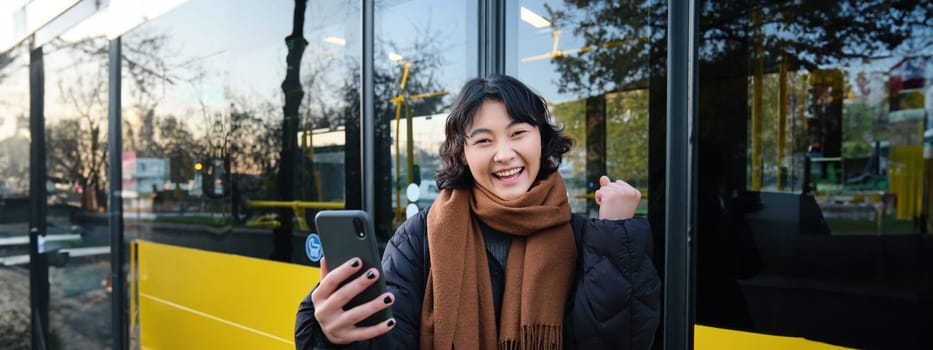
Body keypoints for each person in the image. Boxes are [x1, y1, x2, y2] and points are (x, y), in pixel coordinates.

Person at [295, 75, 661, 349]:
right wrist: (329, 334)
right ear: (463, 154)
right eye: (484, 140)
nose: (503, 153)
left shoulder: (585, 237)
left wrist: (618, 233)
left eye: (518, 133)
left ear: (541, 139)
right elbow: (387, 341)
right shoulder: (419, 237)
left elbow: (619, 341)